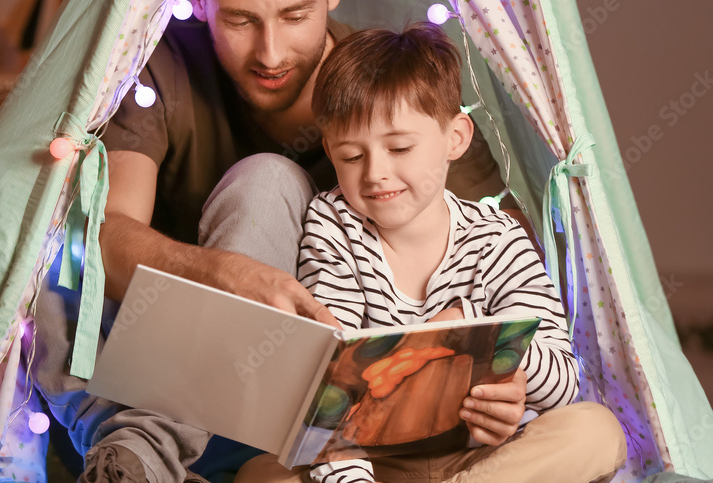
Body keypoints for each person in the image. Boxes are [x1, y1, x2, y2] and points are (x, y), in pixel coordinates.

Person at [33, 0, 528, 482]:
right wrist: (222, 275)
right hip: (148, 386)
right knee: (53, 248)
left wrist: (498, 371)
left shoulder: (391, 93)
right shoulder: (160, 67)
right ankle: (141, 451)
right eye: (240, 21)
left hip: (306, 422)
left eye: (295, 16)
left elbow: (510, 274)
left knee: (269, 178)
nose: (269, 53)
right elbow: (103, 236)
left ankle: (145, 451)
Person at [232, 25, 627, 483]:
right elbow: (330, 392)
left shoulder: (497, 238)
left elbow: (562, 380)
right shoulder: (332, 223)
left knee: (597, 431)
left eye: (399, 147)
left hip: (478, 462)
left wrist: (484, 337)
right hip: (371, 461)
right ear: (329, 151)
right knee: (260, 474)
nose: (376, 173)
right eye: (351, 156)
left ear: (455, 139)